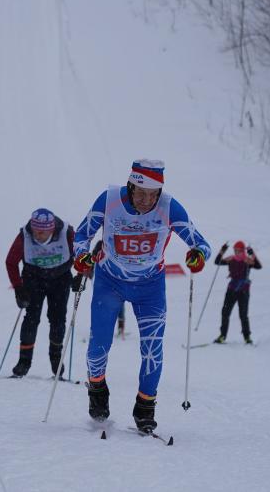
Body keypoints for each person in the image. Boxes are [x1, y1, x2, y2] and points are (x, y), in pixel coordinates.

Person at [73, 159, 211, 432]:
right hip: (109, 281)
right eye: (140, 193)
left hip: (150, 287)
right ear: (130, 186)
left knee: (152, 349)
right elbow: (80, 236)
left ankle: (145, 407)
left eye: (153, 194)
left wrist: (197, 256)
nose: (147, 200)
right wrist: (81, 257)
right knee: (98, 345)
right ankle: (97, 388)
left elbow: (201, 243)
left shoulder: (170, 206)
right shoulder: (109, 199)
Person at [5, 208, 75, 378]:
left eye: (43, 232)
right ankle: (24, 362)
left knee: (57, 319)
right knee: (31, 318)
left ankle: (56, 360)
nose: (39, 236)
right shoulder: (24, 235)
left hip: (60, 278)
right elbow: (10, 262)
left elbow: (83, 252)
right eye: (36, 231)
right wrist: (18, 288)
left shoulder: (67, 233)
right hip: (33, 278)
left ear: (52, 228)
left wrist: (83, 274)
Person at [213, 241, 262, 345]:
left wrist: (252, 253)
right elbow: (217, 262)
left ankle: (247, 337)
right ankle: (222, 336)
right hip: (231, 289)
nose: (237, 252)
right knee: (225, 313)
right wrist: (222, 250)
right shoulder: (231, 259)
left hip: (243, 291)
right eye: (235, 250)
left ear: (243, 250)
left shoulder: (247, 260)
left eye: (239, 251)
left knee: (243, 315)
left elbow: (258, 266)